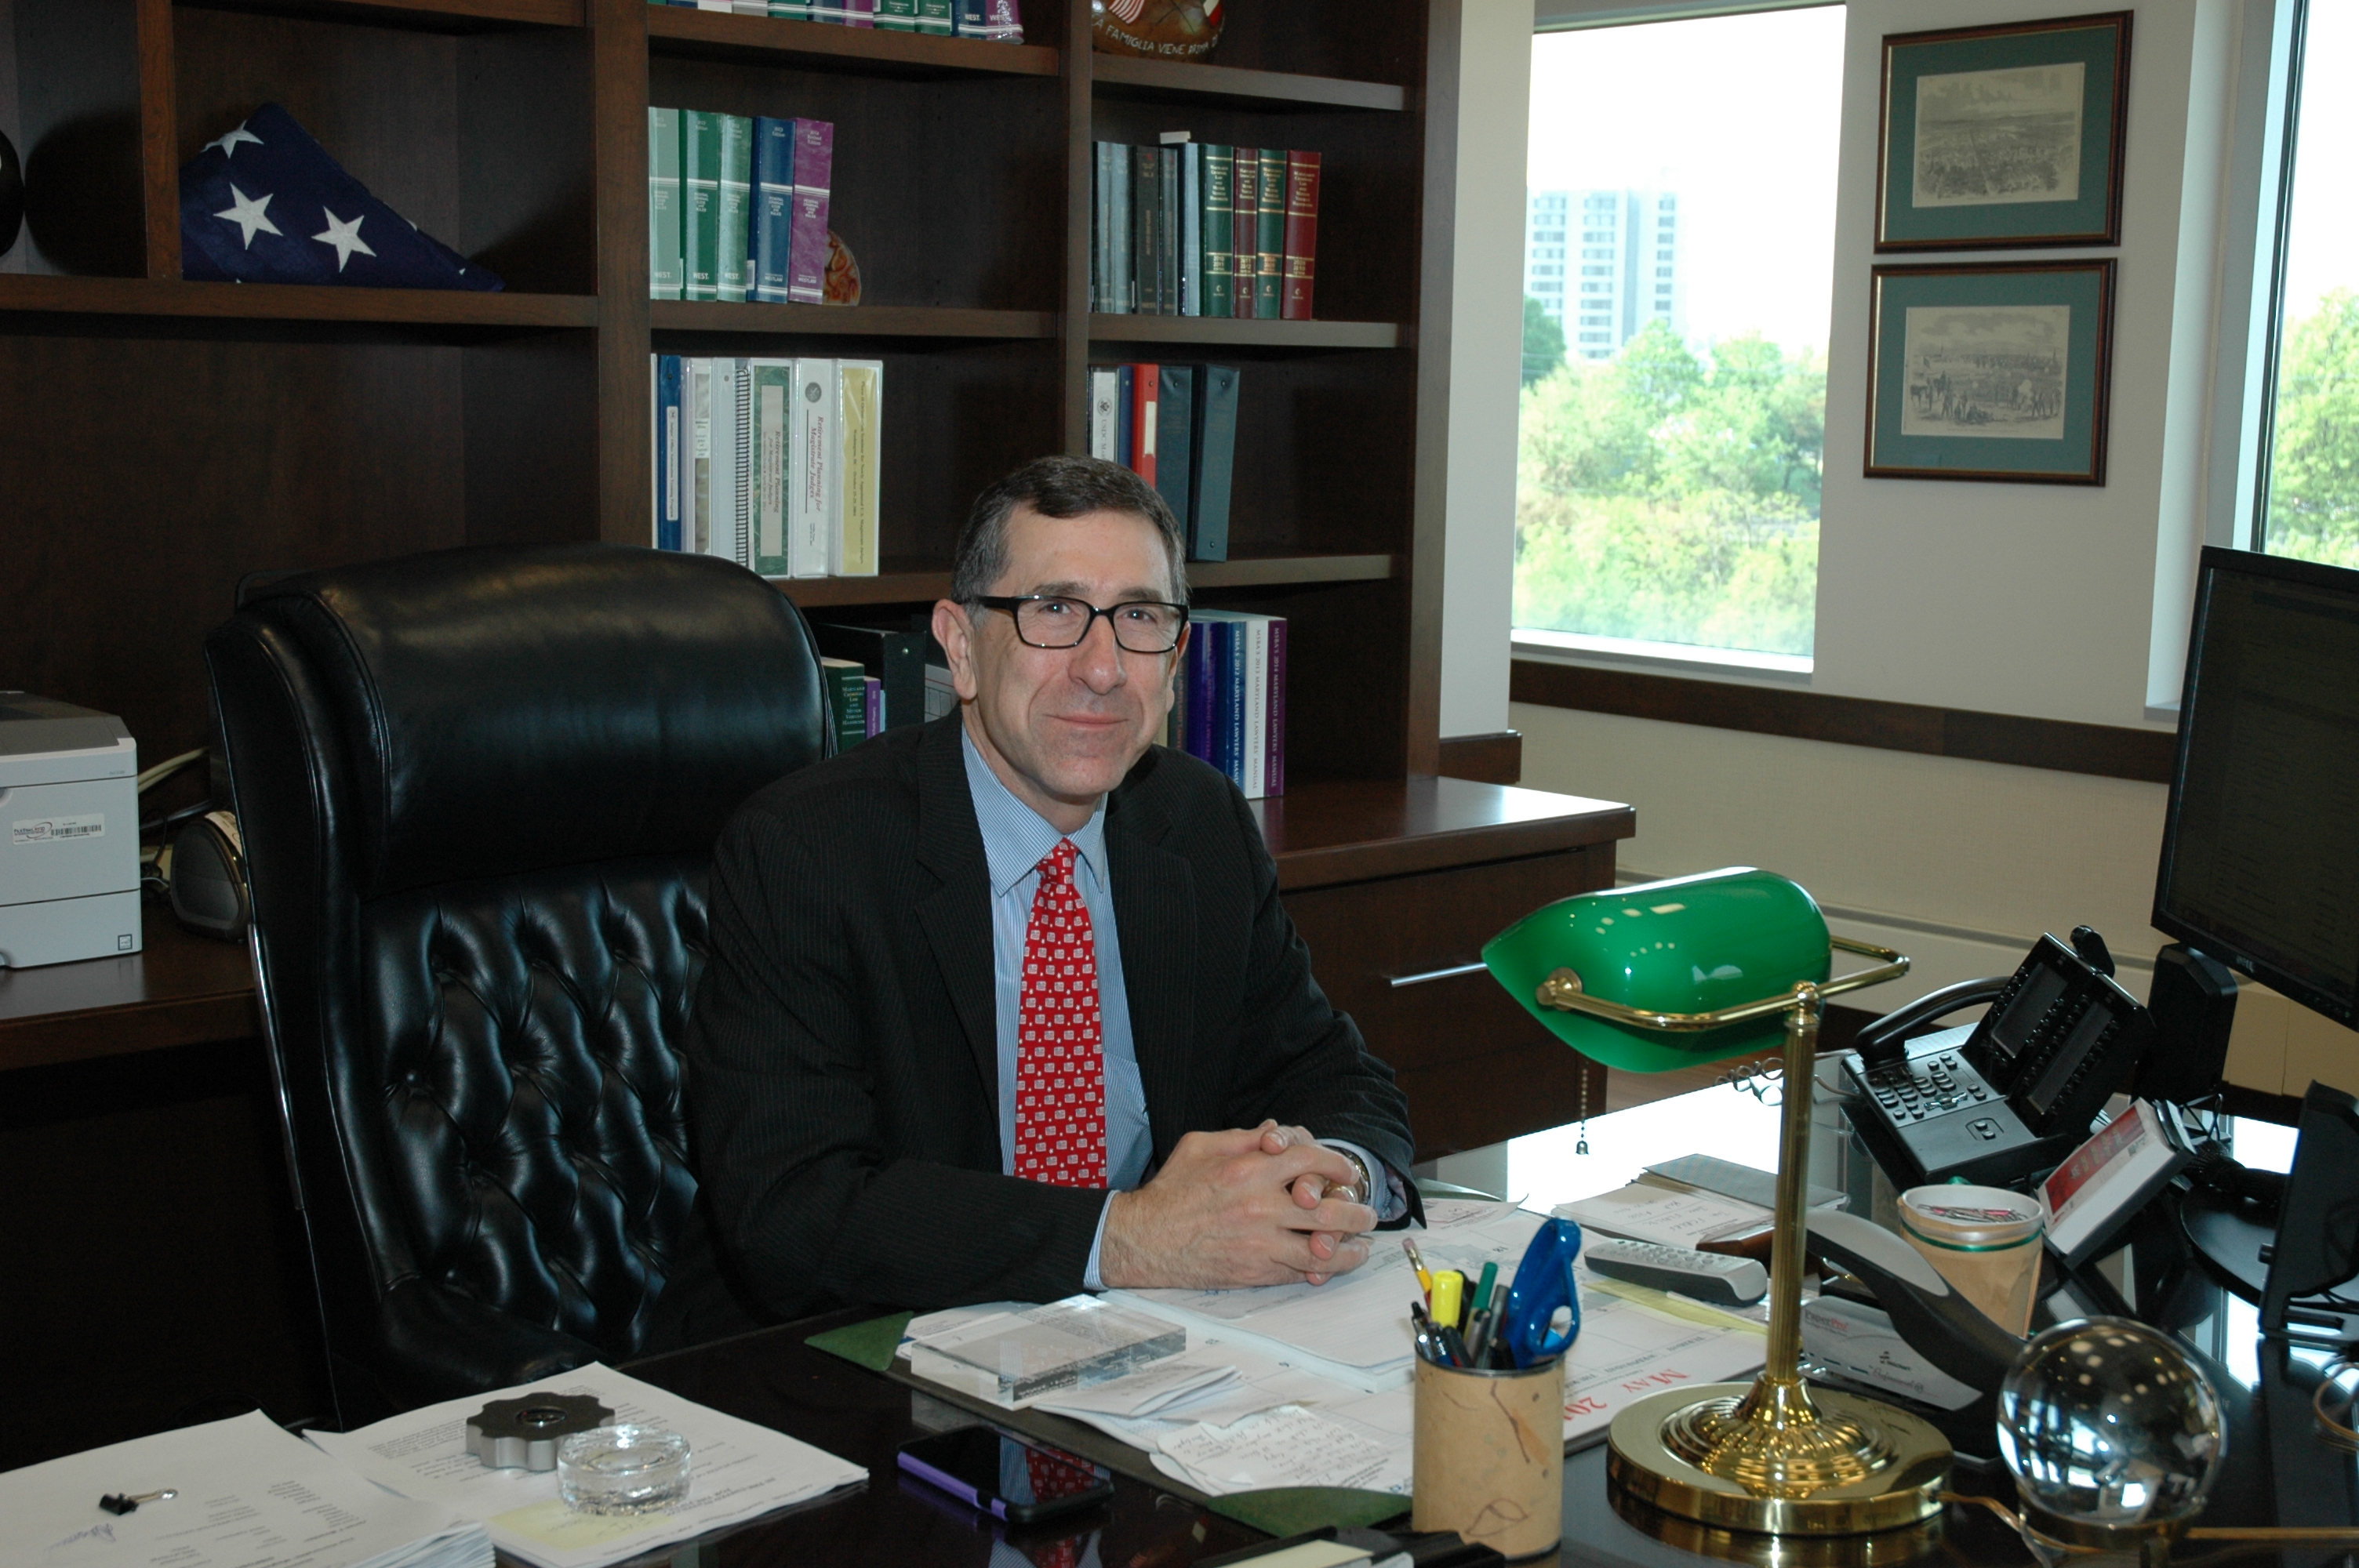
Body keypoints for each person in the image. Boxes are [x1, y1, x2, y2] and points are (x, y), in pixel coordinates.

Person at [684, 456, 1419, 1320]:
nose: (1102, 668)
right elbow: (793, 1209)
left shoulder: (1198, 823)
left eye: (1139, 617)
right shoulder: (807, 850)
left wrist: (1332, 1180)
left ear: (1175, 661)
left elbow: (1333, 1074)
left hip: (1161, 1339)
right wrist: (1127, 1237)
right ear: (961, 647)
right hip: (875, 1346)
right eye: (1055, 611)